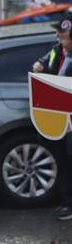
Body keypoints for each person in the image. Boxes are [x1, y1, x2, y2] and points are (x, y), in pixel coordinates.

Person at [31, 14, 72, 221]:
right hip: (58, 116)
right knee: (64, 159)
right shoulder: (57, 51)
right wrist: (39, 65)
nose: (57, 35)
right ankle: (67, 203)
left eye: (62, 33)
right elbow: (42, 62)